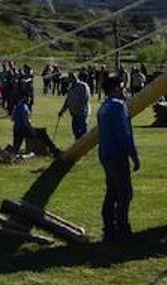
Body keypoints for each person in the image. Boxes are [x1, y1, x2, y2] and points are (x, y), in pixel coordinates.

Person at [98, 76, 140, 241]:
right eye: (122, 87)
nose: (124, 90)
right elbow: (125, 133)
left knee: (112, 191)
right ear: (116, 88)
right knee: (124, 192)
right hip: (117, 153)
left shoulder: (103, 107)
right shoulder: (119, 106)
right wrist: (133, 155)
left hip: (105, 152)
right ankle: (123, 228)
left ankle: (109, 227)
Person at [59, 71, 91, 140]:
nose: (70, 81)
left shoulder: (83, 86)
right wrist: (62, 110)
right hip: (74, 113)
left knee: (83, 131)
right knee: (76, 131)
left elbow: (86, 98)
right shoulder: (71, 88)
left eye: (71, 79)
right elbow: (68, 100)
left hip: (82, 113)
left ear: (75, 78)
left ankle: (85, 145)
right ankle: (77, 144)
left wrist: (81, 108)